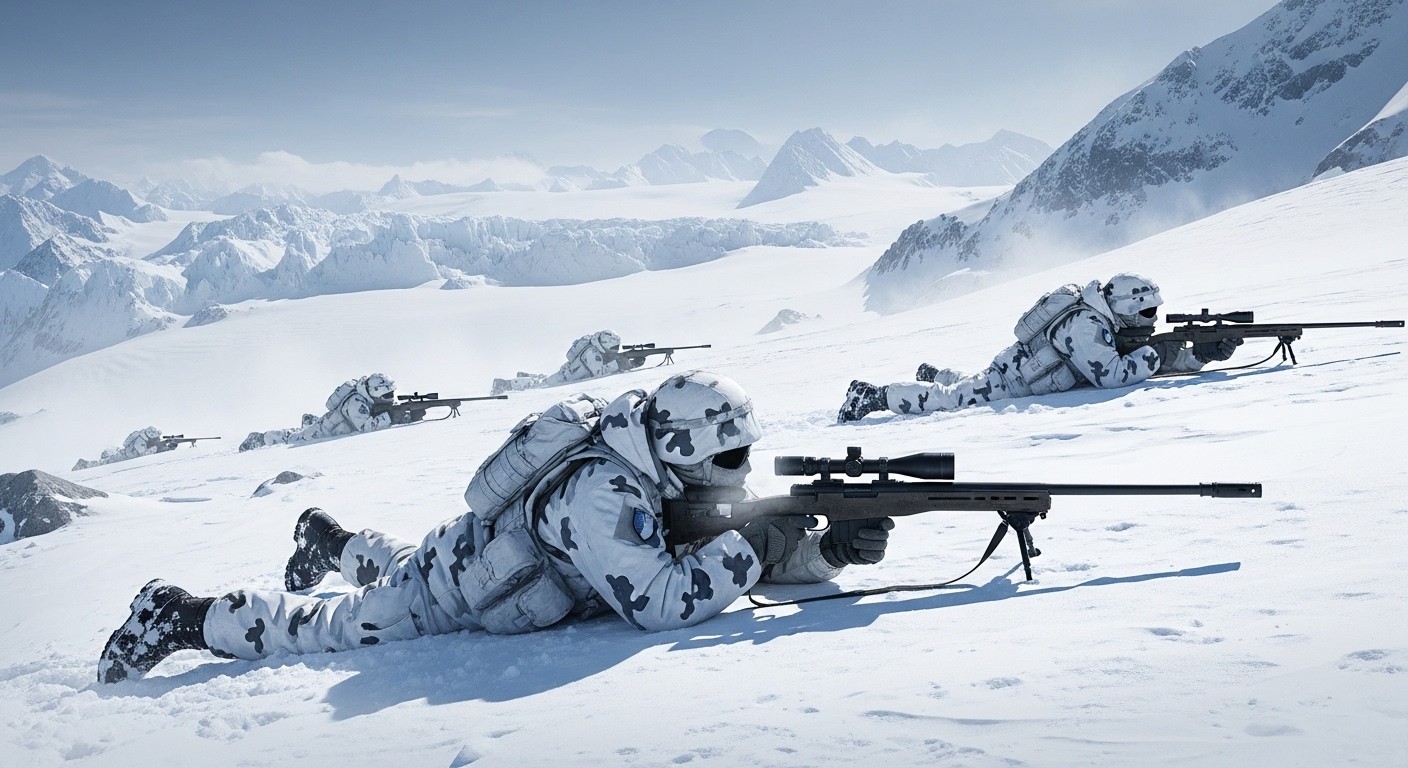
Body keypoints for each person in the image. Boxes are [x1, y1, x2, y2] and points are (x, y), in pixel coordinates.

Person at [98, 371, 895, 683]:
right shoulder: (603, 492)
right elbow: (659, 601)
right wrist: (761, 542)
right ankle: (180, 613)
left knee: (396, 565)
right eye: (731, 455)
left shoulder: (652, 466)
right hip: (456, 591)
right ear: (683, 447)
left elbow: (697, 548)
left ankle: (331, 541)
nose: (743, 470)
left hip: (473, 560)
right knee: (324, 630)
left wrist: (822, 553)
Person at [837, 273, 1241, 422]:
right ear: (1126, 309)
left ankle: (933, 374)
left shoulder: (1102, 318)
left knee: (968, 385)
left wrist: (1200, 355)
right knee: (952, 401)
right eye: (1148, 311)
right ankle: (872, 396)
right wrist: (1162, 353)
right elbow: (1114, 375)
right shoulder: (1087, 326)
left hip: (1019, 373)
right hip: (1016, 380)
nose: (1152, 318)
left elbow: (1134, 360)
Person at [238, 373, 396, 451]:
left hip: (331, 427)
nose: (391, 398)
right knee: (295, 438)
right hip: (323, 432)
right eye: (387, 395)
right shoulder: (356, 402)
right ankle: (261, 439)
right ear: (375, 391)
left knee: (302, 431)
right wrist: (393, 416)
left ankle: (309, 421)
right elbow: (366, 427)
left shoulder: (365, 397)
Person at [491, 330, 644, 395]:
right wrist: (622, 364)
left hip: (569, 373)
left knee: (542, 379)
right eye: (613, 348)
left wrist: (629, 364)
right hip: (566, 378)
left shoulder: (596, 350)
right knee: (540, 384)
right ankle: (504, 384)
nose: (615, 351)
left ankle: (526, 376)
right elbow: (599, 373)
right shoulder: (592, 353)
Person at [72, 426, 171, 471]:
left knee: (104, 462)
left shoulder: (142, 437)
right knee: (103, 464)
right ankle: (83, 465)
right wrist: (155, 448)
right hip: (123, 457)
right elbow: (141, 455)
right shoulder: (140, 442)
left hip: (122, 454)